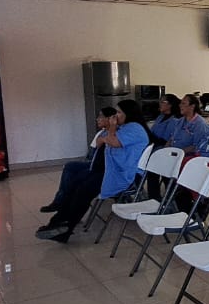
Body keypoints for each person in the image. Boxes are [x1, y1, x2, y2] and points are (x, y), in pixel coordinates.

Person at [39, 100, 150, 242]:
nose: (116, 116)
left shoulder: (135, 128)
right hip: (110, 170)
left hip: (122, 175)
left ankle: (64, 227)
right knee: (75, 184)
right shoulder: (126, 127)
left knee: (83, 190)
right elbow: (104, 141)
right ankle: (58, 224)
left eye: (119, 112)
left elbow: (113, 142)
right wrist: (109, 133)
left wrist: (111, 129)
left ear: (129, 113)